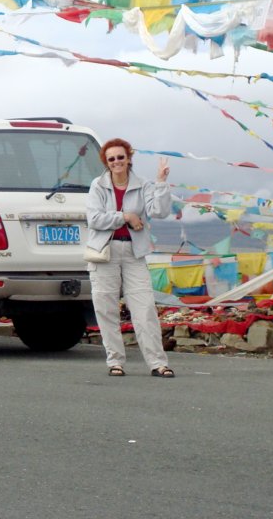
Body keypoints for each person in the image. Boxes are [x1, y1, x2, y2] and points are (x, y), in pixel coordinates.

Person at [86, 137, 175, 378]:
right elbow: (94, 218)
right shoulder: (98, 185)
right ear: (106, 161)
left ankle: (158, 363)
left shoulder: (143, 185)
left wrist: (161, 183)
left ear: (129, 159)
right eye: (111, 158)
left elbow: (160, 211)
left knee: (144, 308)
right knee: (106, 309)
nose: (116, 162)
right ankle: (115, 361)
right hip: (105, 253)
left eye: (120, 157)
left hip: (134, 253)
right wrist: (125, 217)